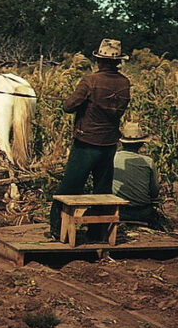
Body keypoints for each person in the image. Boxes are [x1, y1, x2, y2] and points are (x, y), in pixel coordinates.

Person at [49, 39, 131, 238]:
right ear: (118, 62)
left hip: (86, 143)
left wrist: (76, 99)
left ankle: (58, 230)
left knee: (69, 187)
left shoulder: (90, 81)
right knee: (102, 190)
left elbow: (68, 106)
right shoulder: (124, 83)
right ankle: (98, 233)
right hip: (109, 143)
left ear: (99, 61)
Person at [113, 121, 161, 226]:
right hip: (142, 213)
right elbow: (154, 191)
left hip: (117, 211)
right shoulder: (148, 162)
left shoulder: (112, 158)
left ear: (122, 142)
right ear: (141, 143)